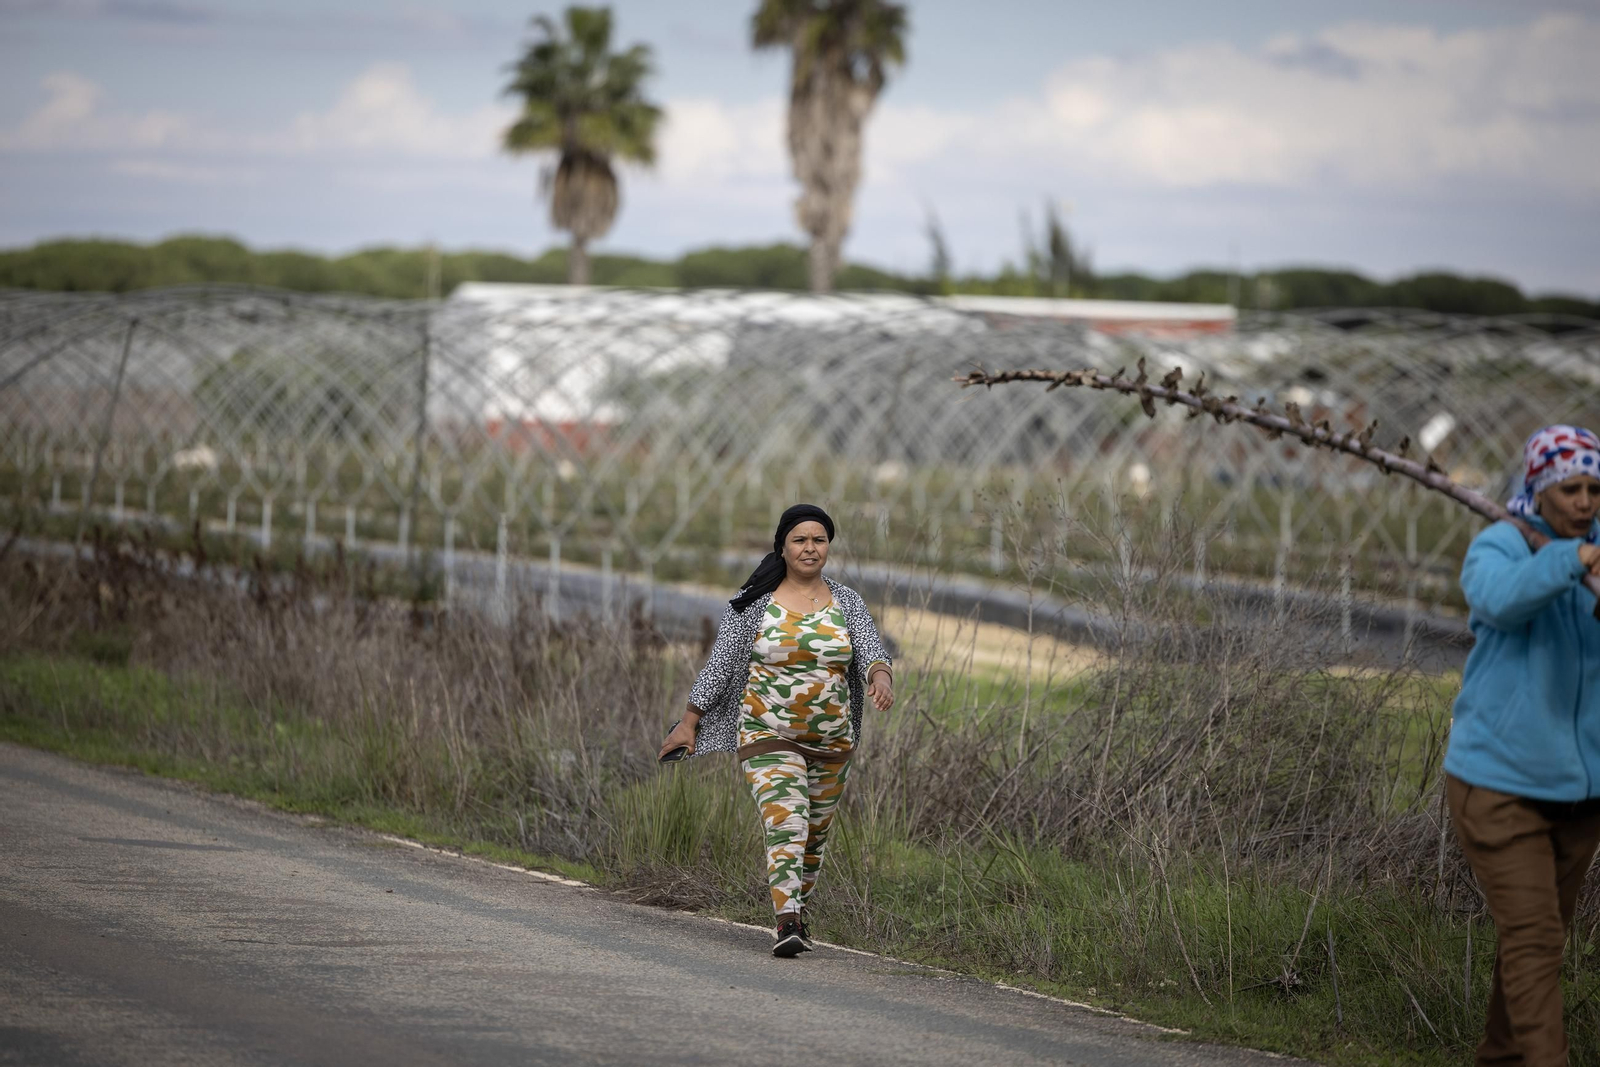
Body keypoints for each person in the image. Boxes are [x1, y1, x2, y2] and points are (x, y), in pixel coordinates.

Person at [658, 504, 894, 958]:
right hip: (767, 733)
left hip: (832, 743)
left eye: (819, 540)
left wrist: (880, 677)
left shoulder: (848, 602)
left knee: (814, 838)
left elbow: (870, 650)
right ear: (783, 546)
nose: (810, 548)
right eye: (800, 540)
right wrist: (690, 720)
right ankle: (785, 921)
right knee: (787, 820)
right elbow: (721, 665)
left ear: (828, 546)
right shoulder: (754, 603)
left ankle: (800, 914)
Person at [1444, 424, 1600, 1067]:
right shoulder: (1499, 547)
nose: (1586, 502)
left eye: (1596, 489)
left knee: (1537, 942)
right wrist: (1572, 562)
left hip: (1579, 792)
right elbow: (1501, 603)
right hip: (1500, 784)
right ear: (1539, 489)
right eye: (1571, 489)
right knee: (1534, 938)